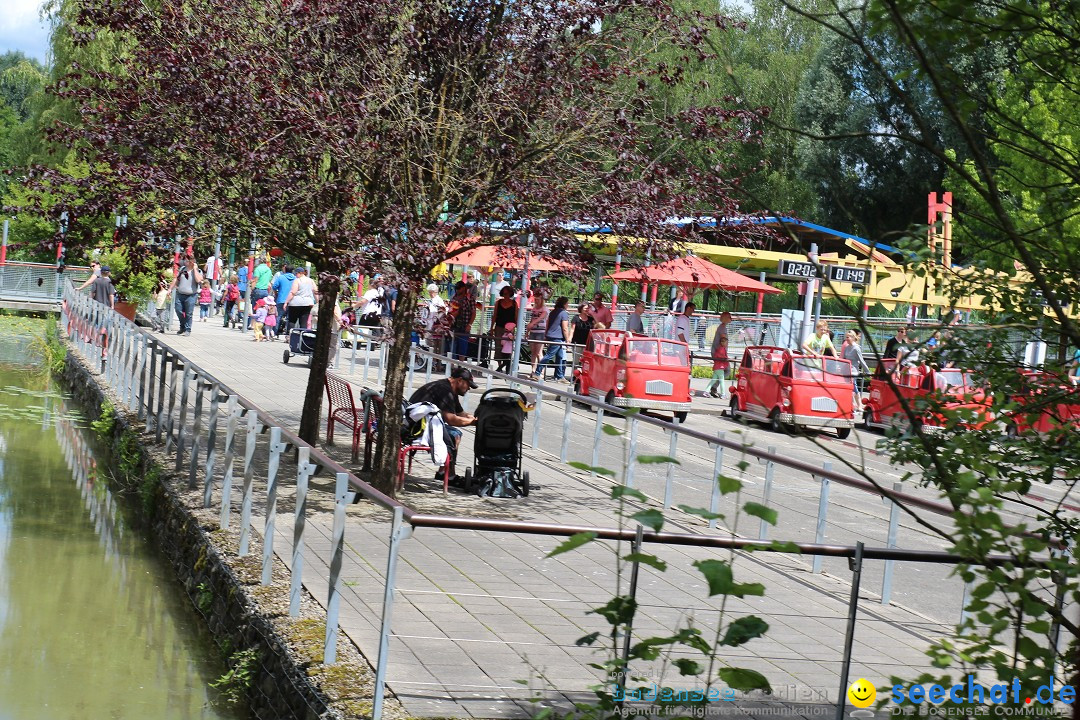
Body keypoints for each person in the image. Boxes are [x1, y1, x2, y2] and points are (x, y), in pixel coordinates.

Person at [408, 367, 478, 485]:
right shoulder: (445, 391)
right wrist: (472, 423)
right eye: (468, 384)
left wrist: (473, 417)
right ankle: (448, 475)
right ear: (460, 380)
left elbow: (460, 413)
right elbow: (451, 420)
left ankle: (443, 472)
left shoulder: (449, 389)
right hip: (416, 428)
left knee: (453, 433)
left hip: (418, 423)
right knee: (455, 435)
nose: (469, 388)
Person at [534, 296, 571, 382]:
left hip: (551, 335)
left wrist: (546, 334)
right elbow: (565, 328)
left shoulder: (553, 312)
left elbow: (548, 324)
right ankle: (537, 372)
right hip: (557, 337)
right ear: (564, 304)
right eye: (567, 303)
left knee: (560, 356)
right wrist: (567, 339)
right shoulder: (564, 313)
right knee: (549, 355)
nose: (568, 305)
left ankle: (559, 376)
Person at [168, 255, 204, 336]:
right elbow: (176, 280)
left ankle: (187, 329)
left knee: (188, 313)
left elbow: (198, 280)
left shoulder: (198, 271)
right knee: (178, 310)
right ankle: (182, 326)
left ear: (192, 261)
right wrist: (170, 289)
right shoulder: (182, 269)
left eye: (187, 261)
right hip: (180, 294)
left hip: (191, 296)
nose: (185, 262)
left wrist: (194, 269)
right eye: (185, 260)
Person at [447, 281, 476, 359]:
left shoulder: (470, 298)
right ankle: (452, 365)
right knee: (452, 347)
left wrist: (469, 325)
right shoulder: (453, 297)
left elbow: (474, 312)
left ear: (464, 288)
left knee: (462, 347)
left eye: (459, 288)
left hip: (465, 325)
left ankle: (461, 365)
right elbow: (449, 311)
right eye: (456, 288)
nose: (457, 290)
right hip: (453, 325)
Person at [285, 266, 318, 331]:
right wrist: (317, 301)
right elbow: (315, 291)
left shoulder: (297, 280)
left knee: (292, 320)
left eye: (296, 274)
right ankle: (302, 336)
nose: (296, 275)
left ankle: (290, 336)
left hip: (295, 303)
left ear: (300, 273)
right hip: (307, 303)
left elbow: (293, 292)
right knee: (304, 321)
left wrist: (286, 302)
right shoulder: (311, 280)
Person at [525, 291, 548, 375]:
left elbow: (541, 317)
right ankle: (533, 370)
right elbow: (532, 319)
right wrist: (527, 331)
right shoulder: (534, 308)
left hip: (541, 332)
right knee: (533, 352)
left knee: (539, 352)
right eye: (535, 299)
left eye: (538, 299)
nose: (536, 301)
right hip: (533, 331)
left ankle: (540, 371)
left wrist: (532, 324)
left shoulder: (544, 309)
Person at [271, 264, 295, 337]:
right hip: (292, 300)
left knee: (278, 316)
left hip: (281, 299)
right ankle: (288, 334)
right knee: (290, 318)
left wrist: (276, 293)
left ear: (285, 269)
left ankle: (275, 333)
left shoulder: (281, 277)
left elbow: (274, 286)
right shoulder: (295, 279)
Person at [704, 334, 730, 398]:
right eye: (726, 343)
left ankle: (706, 392)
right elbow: (722, 357)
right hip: (720, 367)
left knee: (713, 380)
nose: (727, 344)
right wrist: (726, 359)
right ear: (723, 343)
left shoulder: (720, 349)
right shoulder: (722, 349)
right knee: (721, 380)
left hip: (716, 367)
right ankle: (723, 394)